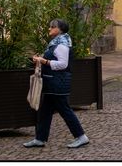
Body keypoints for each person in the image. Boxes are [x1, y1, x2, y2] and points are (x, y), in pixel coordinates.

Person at [23, 19, 90, 149]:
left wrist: (44, 61)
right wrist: (40, 59)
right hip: (52, 83)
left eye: (52, 27)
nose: (49, 29)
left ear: (60, 29)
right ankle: (40, 138)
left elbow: (63, 64)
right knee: (45, 111)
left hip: (58, 84)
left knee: (65, 110)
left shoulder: (62, 44)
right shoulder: (56, 43)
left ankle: (81, 137)